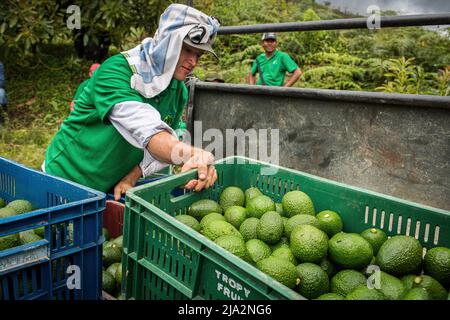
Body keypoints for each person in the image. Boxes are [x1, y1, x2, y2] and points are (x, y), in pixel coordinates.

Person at [44, 4, 220, 200]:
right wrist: (190, 154)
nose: (193, 61)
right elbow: (146, 129)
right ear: (166, 43)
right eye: (187, 50)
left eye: (199, 54)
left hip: (106, 190)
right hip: (61, 180)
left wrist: (133, 175)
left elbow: (167, 138)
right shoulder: (116, 71)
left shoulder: (178, 91)